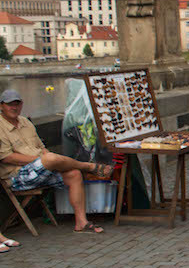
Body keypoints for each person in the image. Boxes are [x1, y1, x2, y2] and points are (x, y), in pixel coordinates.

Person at [0, 89, 112, 235]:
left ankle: (81, 223)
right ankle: (89, 166)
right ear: (2, 105)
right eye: (10, 105)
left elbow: (42, 148)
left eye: (17, 104)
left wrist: (47, 161)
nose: (14, 107)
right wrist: (43, 160)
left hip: (41, 169)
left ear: (21, 104)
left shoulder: (25, 122)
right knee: (51, 158)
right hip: (17, 175)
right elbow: (7, 157)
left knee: (74, 174)